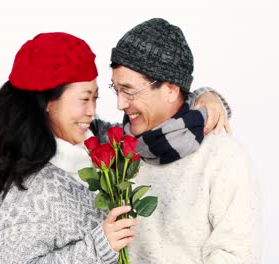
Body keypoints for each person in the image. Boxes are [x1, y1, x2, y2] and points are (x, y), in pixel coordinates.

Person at [0, 32, 230, 263]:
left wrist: (205, 97)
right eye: (84, 99)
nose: (91, 111)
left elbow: (163, 123)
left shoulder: (103, 139)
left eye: (96, 97)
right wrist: (99, 246)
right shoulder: (28, 189)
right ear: (48, 103)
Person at [107, 18, 261, 263]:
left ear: (170, 89)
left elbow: (235, 255)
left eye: (129, 91)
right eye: (116, 89)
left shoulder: (221, 157)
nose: (120, 104)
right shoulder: (119, 150)